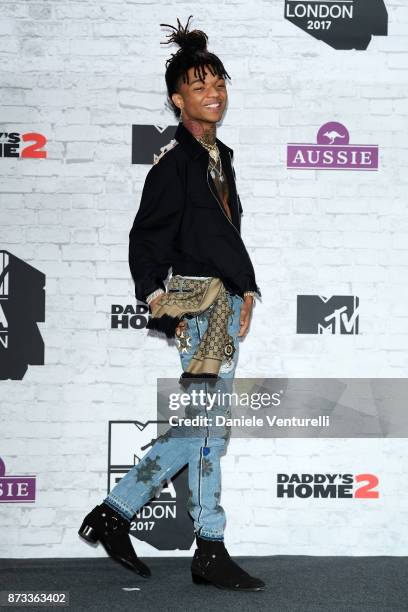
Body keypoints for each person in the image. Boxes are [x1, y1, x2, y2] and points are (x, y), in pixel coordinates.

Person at [78, 15, 264, 592]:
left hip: (227, 304)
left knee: (205, 430)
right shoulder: (175, 163)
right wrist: (160, 299)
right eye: (200, 85)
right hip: (202, 307)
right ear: (177, 97)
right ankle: (207, 546)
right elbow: (146, 237)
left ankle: (114, 512)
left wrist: (248, 289)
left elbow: (224, 235)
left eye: (220, 83)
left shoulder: (219, 158)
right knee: (207, 431)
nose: (214, 93)